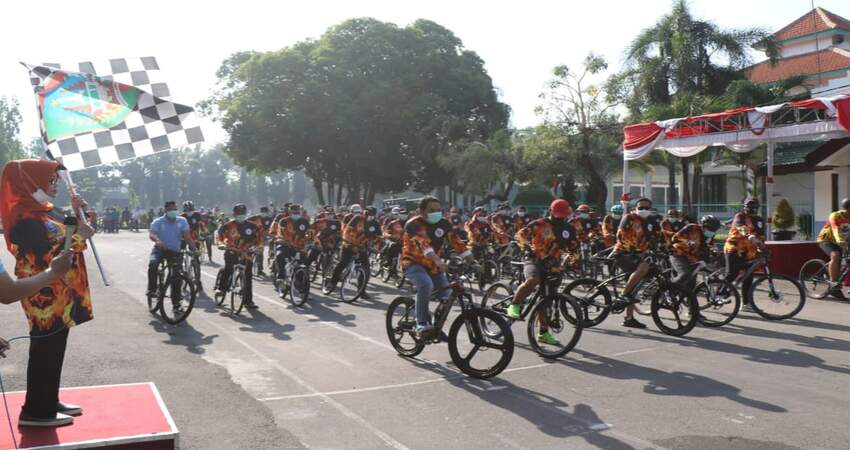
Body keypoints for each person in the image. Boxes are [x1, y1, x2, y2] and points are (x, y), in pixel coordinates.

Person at [0, 159, 95, 427]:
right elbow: (44, 253)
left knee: (54, 347)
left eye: (55, 180)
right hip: (43, 296)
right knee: (45, 347)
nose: (54, 186)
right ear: (31, 183)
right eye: (50, 180)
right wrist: (81, 237)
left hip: (61, 295)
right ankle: (36, 411)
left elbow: (69, 231)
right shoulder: (24, 216)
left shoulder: (46, 210)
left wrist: (80, 214)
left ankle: (48, 399)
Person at [507, 199, 578, 345]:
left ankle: (543, 333)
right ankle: (515, 304)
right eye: (557, 214)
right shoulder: (539, 224)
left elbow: (574, 249)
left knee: (547, 300)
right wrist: (528, 247)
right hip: (533, 260)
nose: (560, 217)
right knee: (533, 280)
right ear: (551, 211)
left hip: (553, 264)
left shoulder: (569, 229)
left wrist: (571, 261)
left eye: (563, 215)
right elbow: (520, 236)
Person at [401, 196, 474, 336]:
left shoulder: (444, 224)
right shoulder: (413, 224)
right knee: (425, 285)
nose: (436, 213)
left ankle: (435, 328)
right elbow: (424, 246)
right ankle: (421, 324)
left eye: (439, 210)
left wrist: (473, 262)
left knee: (447, 295)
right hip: (413, 263)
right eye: (432, 210)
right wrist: (439, 261)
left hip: (434, 266)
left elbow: (457, 242)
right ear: (421, 211)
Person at [612, 197, 659, 329]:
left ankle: (629, 318)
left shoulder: (651, 221)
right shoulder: (629, 218)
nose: (644, 210)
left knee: (640, 280)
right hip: (624, 253)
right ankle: (623, 295)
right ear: (635, 208)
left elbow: (659, 235)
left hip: (639, 255)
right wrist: (635, 249)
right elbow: (620, 235)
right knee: (643, 267)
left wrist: (668, 247)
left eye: (646, 208)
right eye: (641, 208)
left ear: (650, 209)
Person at [147, 201, 198, 304]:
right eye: (171, 210)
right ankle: (152, 289)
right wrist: (157, 240)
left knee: (176, 276)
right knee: (153, 264)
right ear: (165, 210)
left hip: (175, 252)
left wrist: (194, 249)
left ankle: (176, 302)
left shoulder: (182, 221)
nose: (173, 212)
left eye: (175, 209)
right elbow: (152, 234)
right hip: (160, 250)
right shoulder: (158, 221)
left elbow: (187, 237)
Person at [323, 205, 378, 295]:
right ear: (364, 213)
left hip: (361, 247)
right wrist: (349, 243)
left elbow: (378, 236)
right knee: (343, 263)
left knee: (366, 269)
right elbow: (346, 231)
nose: (370, 216)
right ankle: (332, 282)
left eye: (372, 215)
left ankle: (361, 291)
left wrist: (375, 246)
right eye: (368, 214)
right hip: (349, 244)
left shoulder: (375, 223)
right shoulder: (357, 218)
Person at [724, 197, 766, 308]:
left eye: (754, 205)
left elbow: (761, 236)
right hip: (734, 248)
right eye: (749, 205)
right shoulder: (740, 216)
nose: (752, 208)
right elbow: (741, 228)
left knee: (749, 276)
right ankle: (721, 293)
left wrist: (762, 247)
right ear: (745, 206)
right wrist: (750, 235)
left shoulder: (759, 220)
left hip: (748, 251)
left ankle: (746, 303)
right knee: (732, 273)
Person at [215, 204, 261, 308]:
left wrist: (258, 248)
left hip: (247, 254)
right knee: (229, 268)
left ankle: (248, 301)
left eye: (243, 213)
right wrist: (221, 245)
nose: (241, 215)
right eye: (238, 213)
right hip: (231, 251)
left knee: (248, 276)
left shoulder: (253, 226)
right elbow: (219, 238)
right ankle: (221, 289)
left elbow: (259, 240)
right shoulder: (227, 226)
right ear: (234, 214)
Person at [669, 215, 721, 290]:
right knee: (685, 274)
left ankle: (688, 300)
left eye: (714, 230)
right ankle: (668, 290)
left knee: (691, 285)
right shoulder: (692, 227)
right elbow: (675, 238)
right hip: (678, 253)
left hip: (693, 258)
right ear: (703, 225)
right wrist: (687, 241)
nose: (712, 231)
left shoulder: (710, 236)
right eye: (710, 228)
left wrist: (714, 250)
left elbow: (710, 245)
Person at [273, 204, 313, 294]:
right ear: (289, 212)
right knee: (280, 256)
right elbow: (280, 233)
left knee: (303, 265)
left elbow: (311, 234)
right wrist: (282, 240)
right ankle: (281, 278)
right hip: (285, 245)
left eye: (297, 212)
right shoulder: (283, 221)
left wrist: (313, 241)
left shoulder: (304, 221)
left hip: (299, 247)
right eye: (294, 212)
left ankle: (301, 287)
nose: (296, 214)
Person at [816, 198, 850, 297]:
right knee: (835, 255)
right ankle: (833, 283)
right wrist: (839, 240)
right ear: (847, 209)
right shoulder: (835, 215)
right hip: (826, 240)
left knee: (843, 260)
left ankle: (837, 284)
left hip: (842, 241)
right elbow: (835, 228)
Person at [248, 206, 275, 277]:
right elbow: (246, 223)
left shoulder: (269, 219)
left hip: (262, 238)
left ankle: (260, 270)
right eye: (262, 212)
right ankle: (248, 268)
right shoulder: (254, 218)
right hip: (252, 237)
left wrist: (270, 235)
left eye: (265, 212)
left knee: (260, 253)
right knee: (249, 252)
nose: (264, 213)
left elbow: (271, 229)